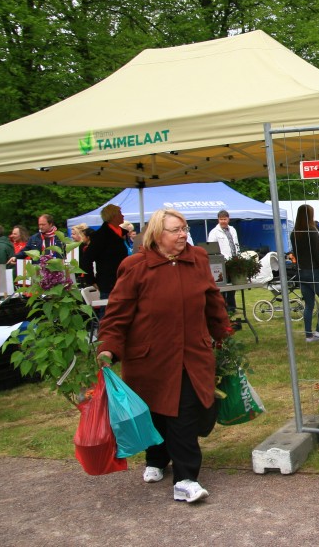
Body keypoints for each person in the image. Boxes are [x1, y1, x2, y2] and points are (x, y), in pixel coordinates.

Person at [96, 208, 228, 504]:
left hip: (191, 355)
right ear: (157, 234)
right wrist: (108, 347)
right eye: (175, 230)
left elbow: (212, 300)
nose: (183, 235)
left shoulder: (197, 259)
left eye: (184, 229)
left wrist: (223, 333)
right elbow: (117, 313)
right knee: (156, 411)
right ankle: (156, 458)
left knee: (184, 415)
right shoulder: (135, 266)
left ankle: (185, 479)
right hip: (150, 358)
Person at [290, 204, 319, 342]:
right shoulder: (312, 231)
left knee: (309, 304)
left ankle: (308, 334)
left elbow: (296, 254)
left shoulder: (294, 233)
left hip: (302, 271)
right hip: (315, 270)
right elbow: (318, 254)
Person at [80, 204, 128, 299]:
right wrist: (91, 280)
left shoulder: (121, 233)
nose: (123, 215)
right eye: (120, 213)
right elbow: (86, 259)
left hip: (124, 280)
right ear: (113, 216)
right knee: (109, 307)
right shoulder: (101, 236)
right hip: (109, 282)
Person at [207, 210, 239, 313]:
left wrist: (238, 255)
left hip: (234, 260)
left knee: (233, 284)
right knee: (222, 286)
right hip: (221, 262)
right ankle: (222, 306)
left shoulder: (233, 230)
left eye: (225, 219)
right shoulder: (214, 232)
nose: (223, 221)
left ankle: (232, 306)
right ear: (218, 219)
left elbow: (236, 244)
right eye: (221, 219)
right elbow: (211, 248)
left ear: (228, 219)